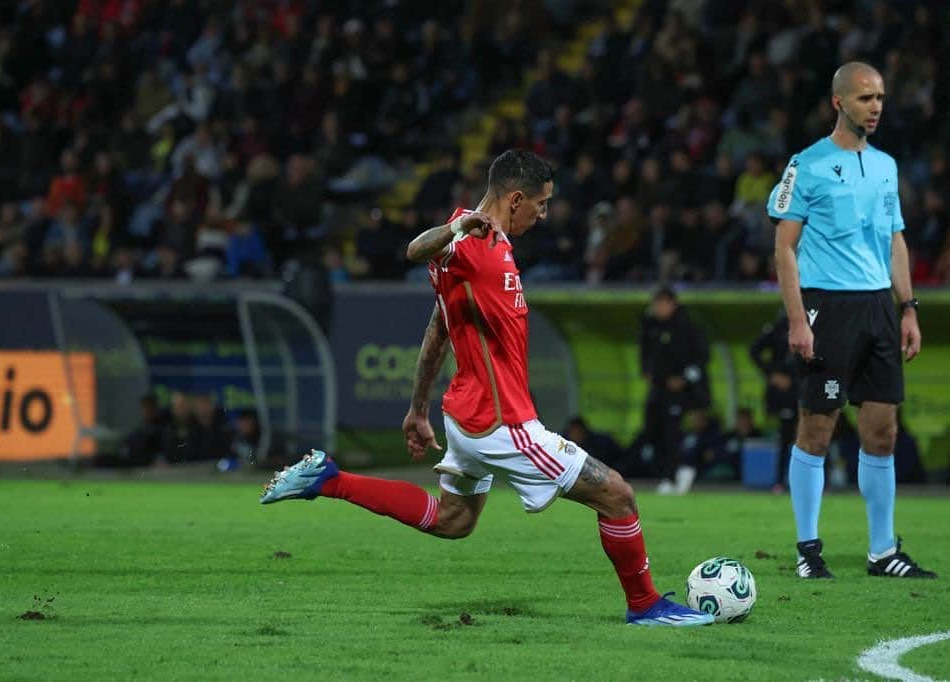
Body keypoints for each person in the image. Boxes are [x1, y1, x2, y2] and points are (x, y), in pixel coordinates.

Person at [260, 149, 713, 627]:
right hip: (502, 423)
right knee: (618, 495)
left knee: (453, 520)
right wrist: (458, 231)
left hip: (467, 414)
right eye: (540, 205)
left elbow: (440, 326)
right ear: (515, 199)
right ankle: (645, 606)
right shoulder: (468, 239)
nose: (543, 215)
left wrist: (417, 408)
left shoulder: (485, 240)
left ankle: (329, 479)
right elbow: (415, 250)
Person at [768, 62, 935, 579]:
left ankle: (883, 551)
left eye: (881, 97)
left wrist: (907, 308)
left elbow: (895, 240)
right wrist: (798, 321)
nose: (877, 106)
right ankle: (807, 548)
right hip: (828, 307)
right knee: (817, 427)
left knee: (882, 431)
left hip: (878, 308)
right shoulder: (807, 164)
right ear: (839, 102)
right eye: (866, 98)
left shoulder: (886, 166)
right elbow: (784, 248)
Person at [638, 285, 711, 494]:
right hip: (658, 388)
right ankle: (669, 473)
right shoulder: (649, 325)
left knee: (673, 434)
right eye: (656, 304)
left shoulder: (688, 326)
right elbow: (644, 352)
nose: (658, 308)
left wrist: (684, 379)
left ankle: (673, 475)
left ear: (673, 303)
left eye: (662, 303)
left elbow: (703, 357)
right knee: (652, 430)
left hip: (681, 392)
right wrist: (646, 371)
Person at [749, 310, 798, 489]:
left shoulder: (818, 318)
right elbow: (754, 350)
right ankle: (779, 481)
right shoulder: (780, 325)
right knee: (785, 436)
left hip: (809, 388)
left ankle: (823, 481)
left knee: (817, 435)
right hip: (786, 394)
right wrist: (772, 374)